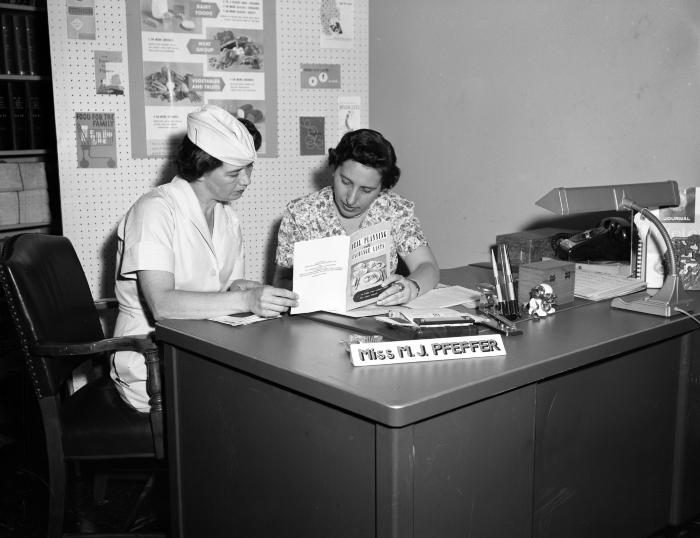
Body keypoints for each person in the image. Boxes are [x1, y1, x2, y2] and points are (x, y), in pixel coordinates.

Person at [112, 104, 298, 411]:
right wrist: (245, 300)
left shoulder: (226, 215)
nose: (246, 181)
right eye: (235, 173)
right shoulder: (154, 211)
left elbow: (226, 286)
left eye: (249, 169)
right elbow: (162, 305)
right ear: (201, 169)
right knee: (263, 405)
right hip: (152, 364)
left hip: (203, 347)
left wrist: (248, 289)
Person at [274, 128, 439, 305]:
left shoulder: (394, 210)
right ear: (333, 169)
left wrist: (410, 287)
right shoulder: (301, 213)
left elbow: (427, 267)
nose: (351, 199)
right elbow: (280, 284)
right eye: (345, 182)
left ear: (382, 188)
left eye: (366, 190)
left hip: (376, 320)